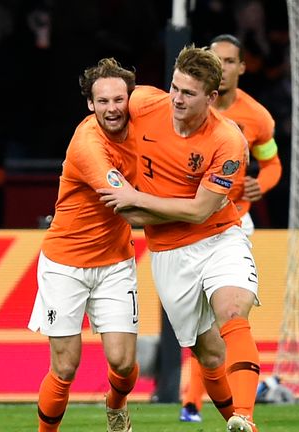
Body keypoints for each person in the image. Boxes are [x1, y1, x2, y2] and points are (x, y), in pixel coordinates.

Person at [98, 45, 261, 432]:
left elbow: (199, 210)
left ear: (212, 97)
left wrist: (136, 200)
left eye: (188, 93)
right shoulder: (146, 103)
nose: (177, 98)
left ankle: (246, 417)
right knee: (208, 354)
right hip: (169, 251)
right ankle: (233, 420)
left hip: (219, 237)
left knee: (233, 312)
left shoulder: (228, 141)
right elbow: (102, 118)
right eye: (175, 87)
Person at [27, 58, 140, 432]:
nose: (112, 108)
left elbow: (170, 99)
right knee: (64, 367)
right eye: (102, 101)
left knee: (123, 363)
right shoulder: (88, 144)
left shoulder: (143, 124)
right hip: (65, 263)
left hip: (115, 261)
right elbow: (131, 207)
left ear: (130, 99)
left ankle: (116, 404)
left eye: (118, 100)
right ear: (90, 104)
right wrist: (193, 211)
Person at [178, 33, 282, 424]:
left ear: (242, 66)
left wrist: (263, 183)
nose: (222, 68)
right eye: (215, 60)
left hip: (233, 223)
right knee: (201, 321)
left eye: (230, 61)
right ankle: (194, 400)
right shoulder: (184, 107)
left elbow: (271, 162)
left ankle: (206, 405)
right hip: (187, 224)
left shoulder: (256, 117)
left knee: (231, 313)